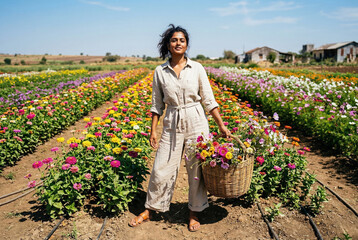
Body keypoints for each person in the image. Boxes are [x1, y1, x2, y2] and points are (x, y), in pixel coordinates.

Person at [129, 24, 230, 232]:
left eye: (182, 40)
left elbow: (209, 99)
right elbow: (157, 105)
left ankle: (194, 211)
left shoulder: (197, 68)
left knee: (196, 169)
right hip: (172, 119)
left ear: (187, 44)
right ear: (168, 44)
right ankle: (151, 207)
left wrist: (220, 125)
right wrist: (153, 130)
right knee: (161, 167)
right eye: (174, 40)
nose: (178, 43)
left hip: (196, 119)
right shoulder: (160, 71)